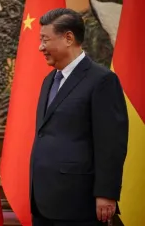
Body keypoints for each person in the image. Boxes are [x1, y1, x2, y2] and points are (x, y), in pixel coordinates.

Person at [30, 8, 128, 226]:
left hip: (77, 203)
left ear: (68, 38)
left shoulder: (102, 81)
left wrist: (106, 193)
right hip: (43, 201)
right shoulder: (48, 81)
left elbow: (111, 143)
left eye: (45, 40)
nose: (40, 47)